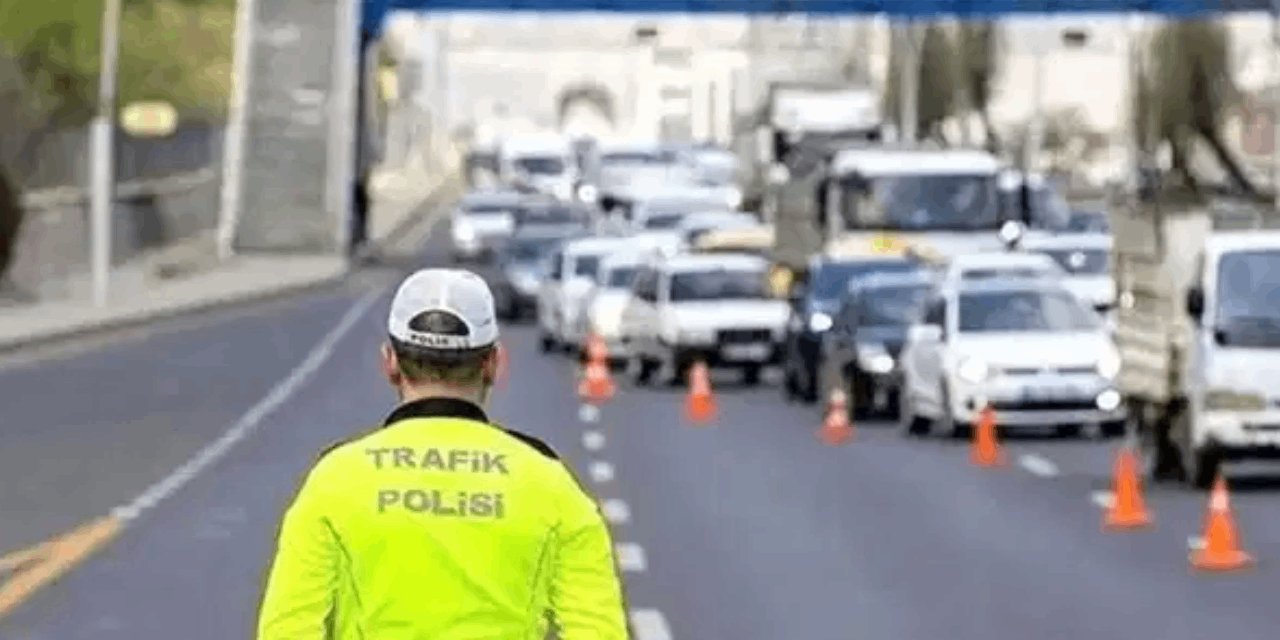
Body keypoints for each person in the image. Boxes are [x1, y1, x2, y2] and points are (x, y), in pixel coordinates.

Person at [257, 268, 629, 639]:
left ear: (390, 362)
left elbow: (286, 630)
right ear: (493, 364)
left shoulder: (335, 481)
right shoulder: (550, 484)